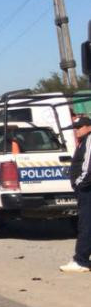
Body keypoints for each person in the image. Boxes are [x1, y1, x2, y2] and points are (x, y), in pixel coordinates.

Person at [60, 117, 91, 273]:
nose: (76, 130)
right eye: (75, 127)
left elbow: (88, 167)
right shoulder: (85, 140)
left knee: (86, 225)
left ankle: (81, 260)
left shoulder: (90, 140)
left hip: (87, 190)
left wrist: (80, 184)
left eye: (79, 127)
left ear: (88, 127)